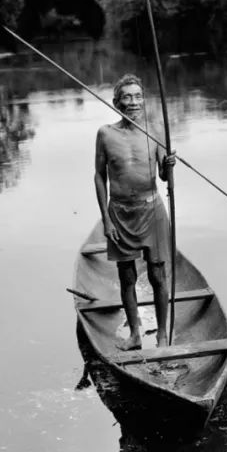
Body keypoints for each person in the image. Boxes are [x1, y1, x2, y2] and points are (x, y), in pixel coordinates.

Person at [94, 73, 176, 350]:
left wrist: (169, 163)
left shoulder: (155, 130)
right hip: (120, 213)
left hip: (151, 210)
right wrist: (106, 220)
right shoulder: (106, 133)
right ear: (117, 102)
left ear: (144, 101)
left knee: (157, 275)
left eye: (138, 96)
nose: (133, 102)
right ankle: (135, 335)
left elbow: (164, 176)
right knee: (126, 276)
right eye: (127, 97)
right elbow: (98, 176)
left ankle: (163, 336)